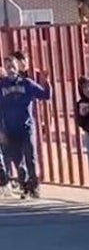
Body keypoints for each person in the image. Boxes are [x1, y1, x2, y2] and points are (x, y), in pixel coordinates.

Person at [0, 52, 51, 197]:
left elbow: (46, 96)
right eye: (7, 66)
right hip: (10, 128)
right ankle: (24, 184)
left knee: (30, 157)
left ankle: (34, 186)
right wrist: (1, 130)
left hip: (26, 126)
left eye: (13, 66)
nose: (10, 69)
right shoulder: (2, 86)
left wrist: (46, 81)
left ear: (18, 67)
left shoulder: (26, 83)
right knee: (17, 159)